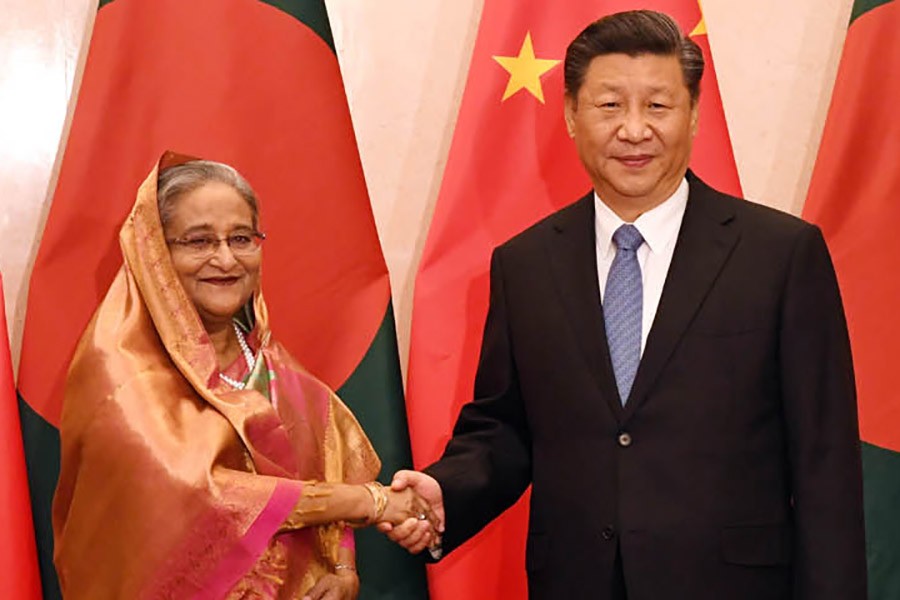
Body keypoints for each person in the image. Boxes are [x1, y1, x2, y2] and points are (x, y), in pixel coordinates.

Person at [381, 10, 867, 600]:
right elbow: (504, 427)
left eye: (657, 106)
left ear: (693, 113)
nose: (634, 130)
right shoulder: (526, 264)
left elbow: (825, 463)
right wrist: (448, 492)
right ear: (571, 114)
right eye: (609, 105)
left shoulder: (780, 255)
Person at [52, 153, 434, 599]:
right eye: (199, 241)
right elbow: (205, 495)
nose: (226, 258)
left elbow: (327, 455)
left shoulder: (266, 360)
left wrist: (342, 566)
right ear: (154, 253)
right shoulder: (118, 366)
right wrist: (373, 501)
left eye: (241, 238)